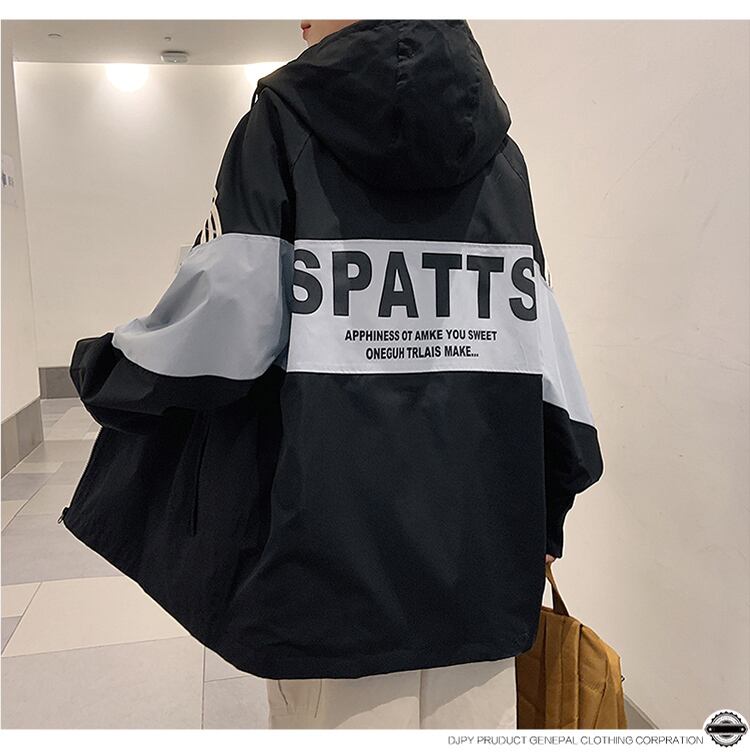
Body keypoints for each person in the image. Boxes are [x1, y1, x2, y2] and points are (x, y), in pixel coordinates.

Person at [61, 19, 604, 730]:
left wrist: (106, 370)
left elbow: (218, 331)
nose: (300, 19)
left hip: (328, 562)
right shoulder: (503, 159)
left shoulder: (279, 127)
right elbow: (546, 362)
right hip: (481, 559)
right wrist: (547, 511)